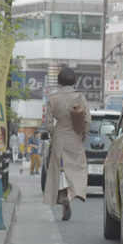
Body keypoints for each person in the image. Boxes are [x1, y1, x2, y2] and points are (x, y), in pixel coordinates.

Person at [43, 68, 91, 220]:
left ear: (59, 81)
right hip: (75, 137)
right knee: (78, 167)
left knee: (60, 170)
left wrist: (53, 134)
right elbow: (87, 120)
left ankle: (63, 200)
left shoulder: (53, 98)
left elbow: (48, 123)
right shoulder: (79, 97)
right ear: (74, 80)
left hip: (59, 136)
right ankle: (70, 195)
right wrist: (83, 135)